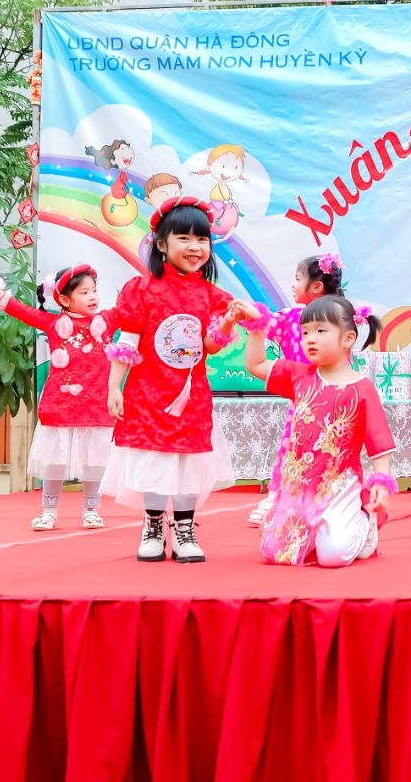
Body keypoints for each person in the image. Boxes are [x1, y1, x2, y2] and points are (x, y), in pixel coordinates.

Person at [101, 197, 236, 563]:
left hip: (191, 397)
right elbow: (128, 342)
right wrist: (114, 387)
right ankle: (154, 526)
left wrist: (227, 321)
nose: (195, 247)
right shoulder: (142, 290)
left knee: (188, 461)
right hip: (148, 394)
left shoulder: (212, 296)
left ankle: (185, 531)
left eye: (202, 239)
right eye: (184, 238)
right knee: (155, 461)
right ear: (161, 243)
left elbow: (211, 346)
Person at [232, 294, 396, 566]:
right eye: (306, 332)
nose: (310, 338)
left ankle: (365, 519)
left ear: (348, 339)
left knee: (334, 558)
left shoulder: (362, 388)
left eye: (321, 331)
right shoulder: (298, 375)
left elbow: (379, 442)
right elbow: (255, 364)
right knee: (274, 553)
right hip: (298, 485)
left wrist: (381, 481)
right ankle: (318, 529)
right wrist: (258, 325)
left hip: (338, 483)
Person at [0, 263, 117, 531]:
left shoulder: (107, 320)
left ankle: (91, 511)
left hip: (96, 403)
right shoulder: (53, 323)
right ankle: (49, 512)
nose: (93, 297)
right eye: (84, 292)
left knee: (94, 460)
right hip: (61, 404)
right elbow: (21, 310)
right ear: (64, 299)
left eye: (94, 291)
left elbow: (133, 307)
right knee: (55, 459)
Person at [246, 252, 351, 527]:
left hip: (333, 398)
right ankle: (277, 499)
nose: (293, 285)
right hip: (301, 399)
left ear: (316, 286)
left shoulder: (340, 318)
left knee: (330, 451)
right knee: (291, 447)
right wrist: (248, 315)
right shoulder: (289, 318)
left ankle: (326, 501)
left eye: (297, 279)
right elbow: (263, 322)